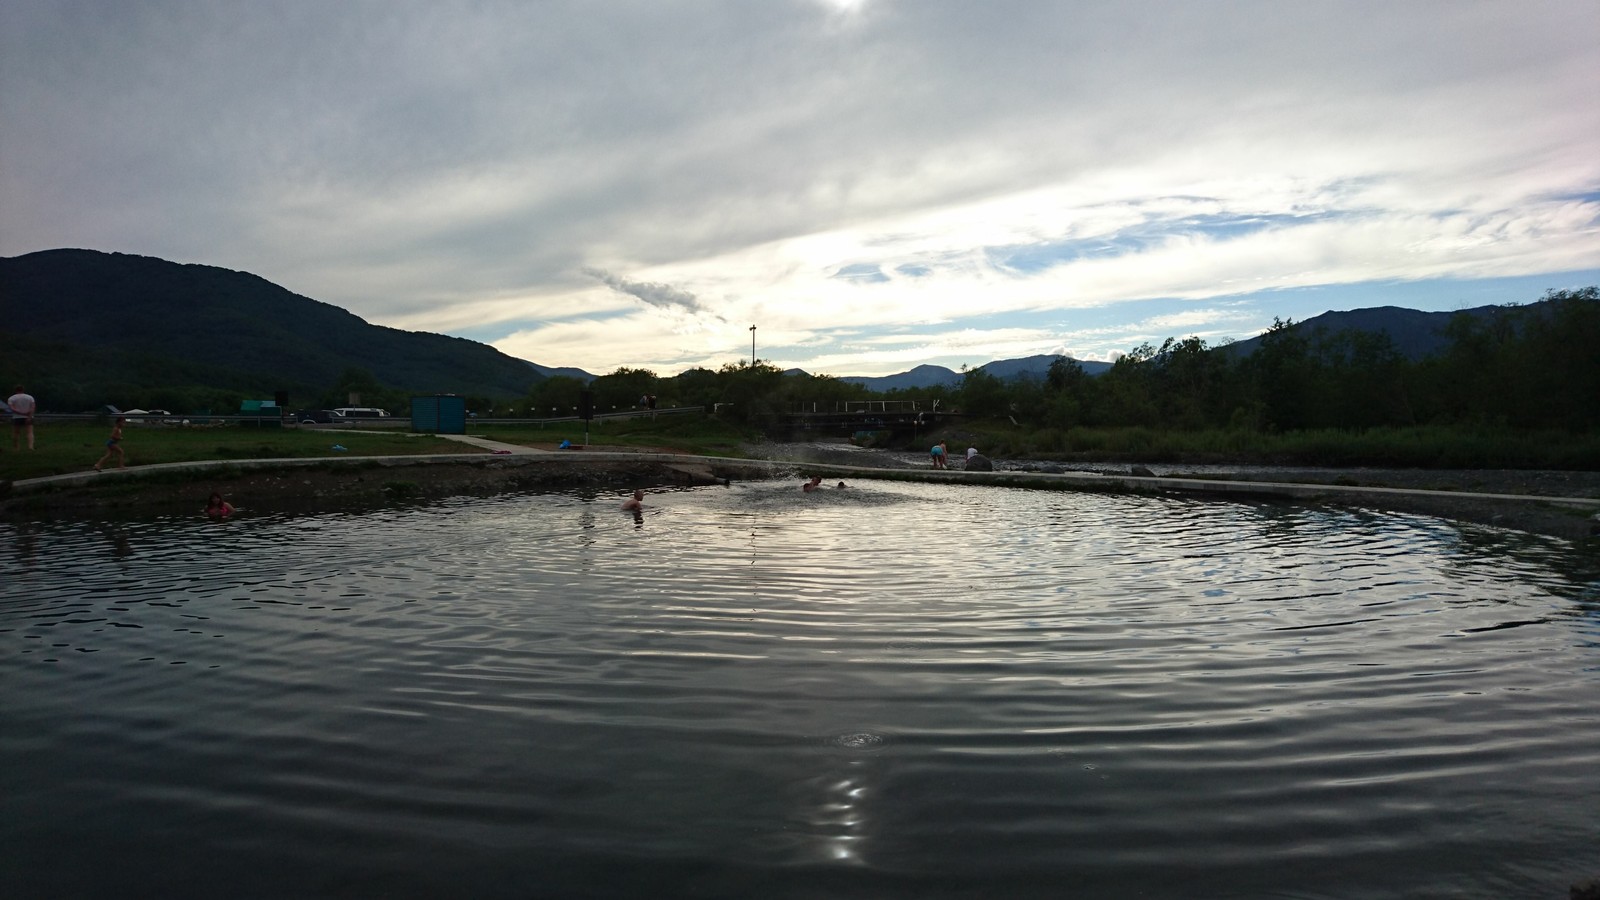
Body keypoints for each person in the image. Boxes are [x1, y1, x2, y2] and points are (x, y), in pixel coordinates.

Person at [8, 385, 36, 450]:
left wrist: (20, 413)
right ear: (23, 390)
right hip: (28, 416)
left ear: (15, 390)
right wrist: (29, 416)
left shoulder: (11, 398)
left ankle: (16, 447)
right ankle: (30, 447)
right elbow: (33, 407)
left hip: (16, 417)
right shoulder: (30, 397)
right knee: (29, 432)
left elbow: (12, 408)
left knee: (16, 433)